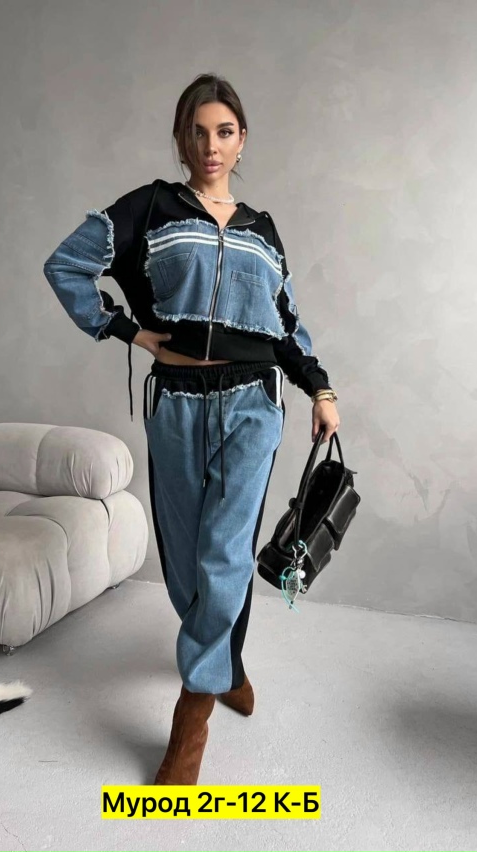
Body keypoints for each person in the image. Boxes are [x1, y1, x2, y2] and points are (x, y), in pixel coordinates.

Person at [43, 73, 340, 786]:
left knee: (224, 554)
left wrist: (320, 388)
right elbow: (66, 265)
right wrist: (127, 331)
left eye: (224, 132)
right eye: (198, 132)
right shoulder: (150, 208)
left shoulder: (262, 230)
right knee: (183, 562)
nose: (211, 145)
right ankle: (226, 662)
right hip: (176, 402)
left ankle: (192, 714)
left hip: (252, 403)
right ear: (182, 140)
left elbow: (286, 323)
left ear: (242, 140)